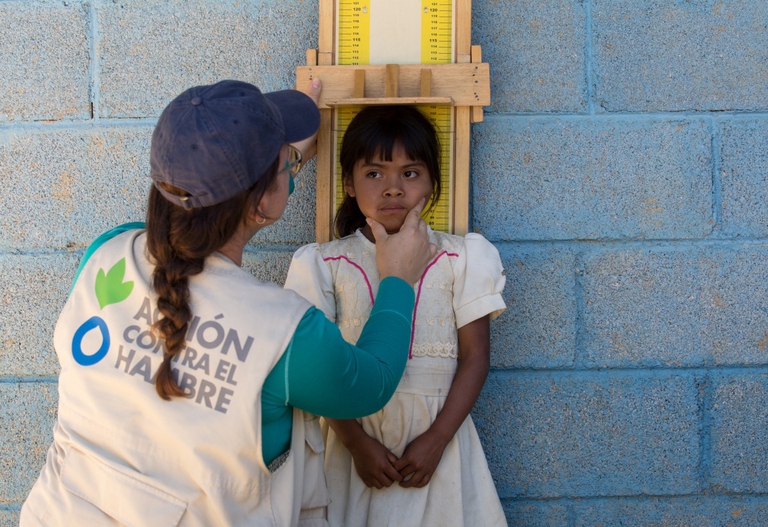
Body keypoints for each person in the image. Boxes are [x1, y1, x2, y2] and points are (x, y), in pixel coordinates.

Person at [20, 81, 437, 527]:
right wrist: (397, 279)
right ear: (261, 203)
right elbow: (369, 385)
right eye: (284, 165)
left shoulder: (106, 253)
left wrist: (278, 166)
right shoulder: (285, 333)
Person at [284, 105, 508, 527]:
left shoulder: (462, 257)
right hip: (354, 447)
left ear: (431, 183)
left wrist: (438, 439)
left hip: (439, 444)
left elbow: (475, 357)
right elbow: (318, 372)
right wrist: (356, 445)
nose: (392, 188)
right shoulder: (325, 264)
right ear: (348, 183)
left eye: (410, 173)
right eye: (374, 173)